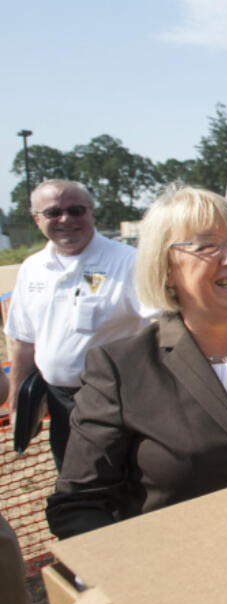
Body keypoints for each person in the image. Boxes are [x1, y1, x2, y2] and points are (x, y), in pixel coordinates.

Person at [45, 187, 227, 540]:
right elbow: (79, 504)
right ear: (166, 269)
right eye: (205, 246)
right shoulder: (121, 369)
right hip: (186, 578)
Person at [4, 180, 148, 470]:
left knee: (122, 484)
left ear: (92, 213)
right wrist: (17, 399)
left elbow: (164, 326)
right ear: (36, 219)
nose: (66, 219)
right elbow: (22, 341)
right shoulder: (32, 268)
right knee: (72, 483)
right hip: (60, 402)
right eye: (53, 212)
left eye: (76, 210)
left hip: (118, 402)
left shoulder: (129, 262)